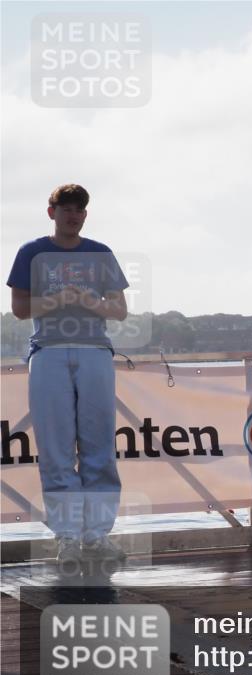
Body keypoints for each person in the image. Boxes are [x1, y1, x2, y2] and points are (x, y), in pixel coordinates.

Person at [6, 185, 129, 563]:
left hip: (95, 353)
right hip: (48, 352)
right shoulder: (31, 252)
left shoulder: (101, 253)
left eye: (79, 210)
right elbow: (19, 309)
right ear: (52, 212)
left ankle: (97, 534)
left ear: (85, 215)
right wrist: (58, 299)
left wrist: (89, 302)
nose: (73, 216)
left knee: (99, 447)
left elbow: (120, 310)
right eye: (66, 209)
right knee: (56, 448)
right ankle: (67, 536)